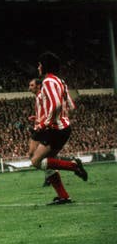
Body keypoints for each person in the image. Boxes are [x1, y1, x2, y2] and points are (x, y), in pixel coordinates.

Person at [30, 52, 87, 205]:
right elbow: (71, 105)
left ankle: (73, 165)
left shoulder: (48, 81)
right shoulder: (60, 81)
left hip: (55, 129)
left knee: (35, 161)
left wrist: (45, 122)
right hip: (64, 127)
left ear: (45, 65)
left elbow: (56, 105)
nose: (38, 67)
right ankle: (63, 196)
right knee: (49, 162)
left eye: (40, 64)